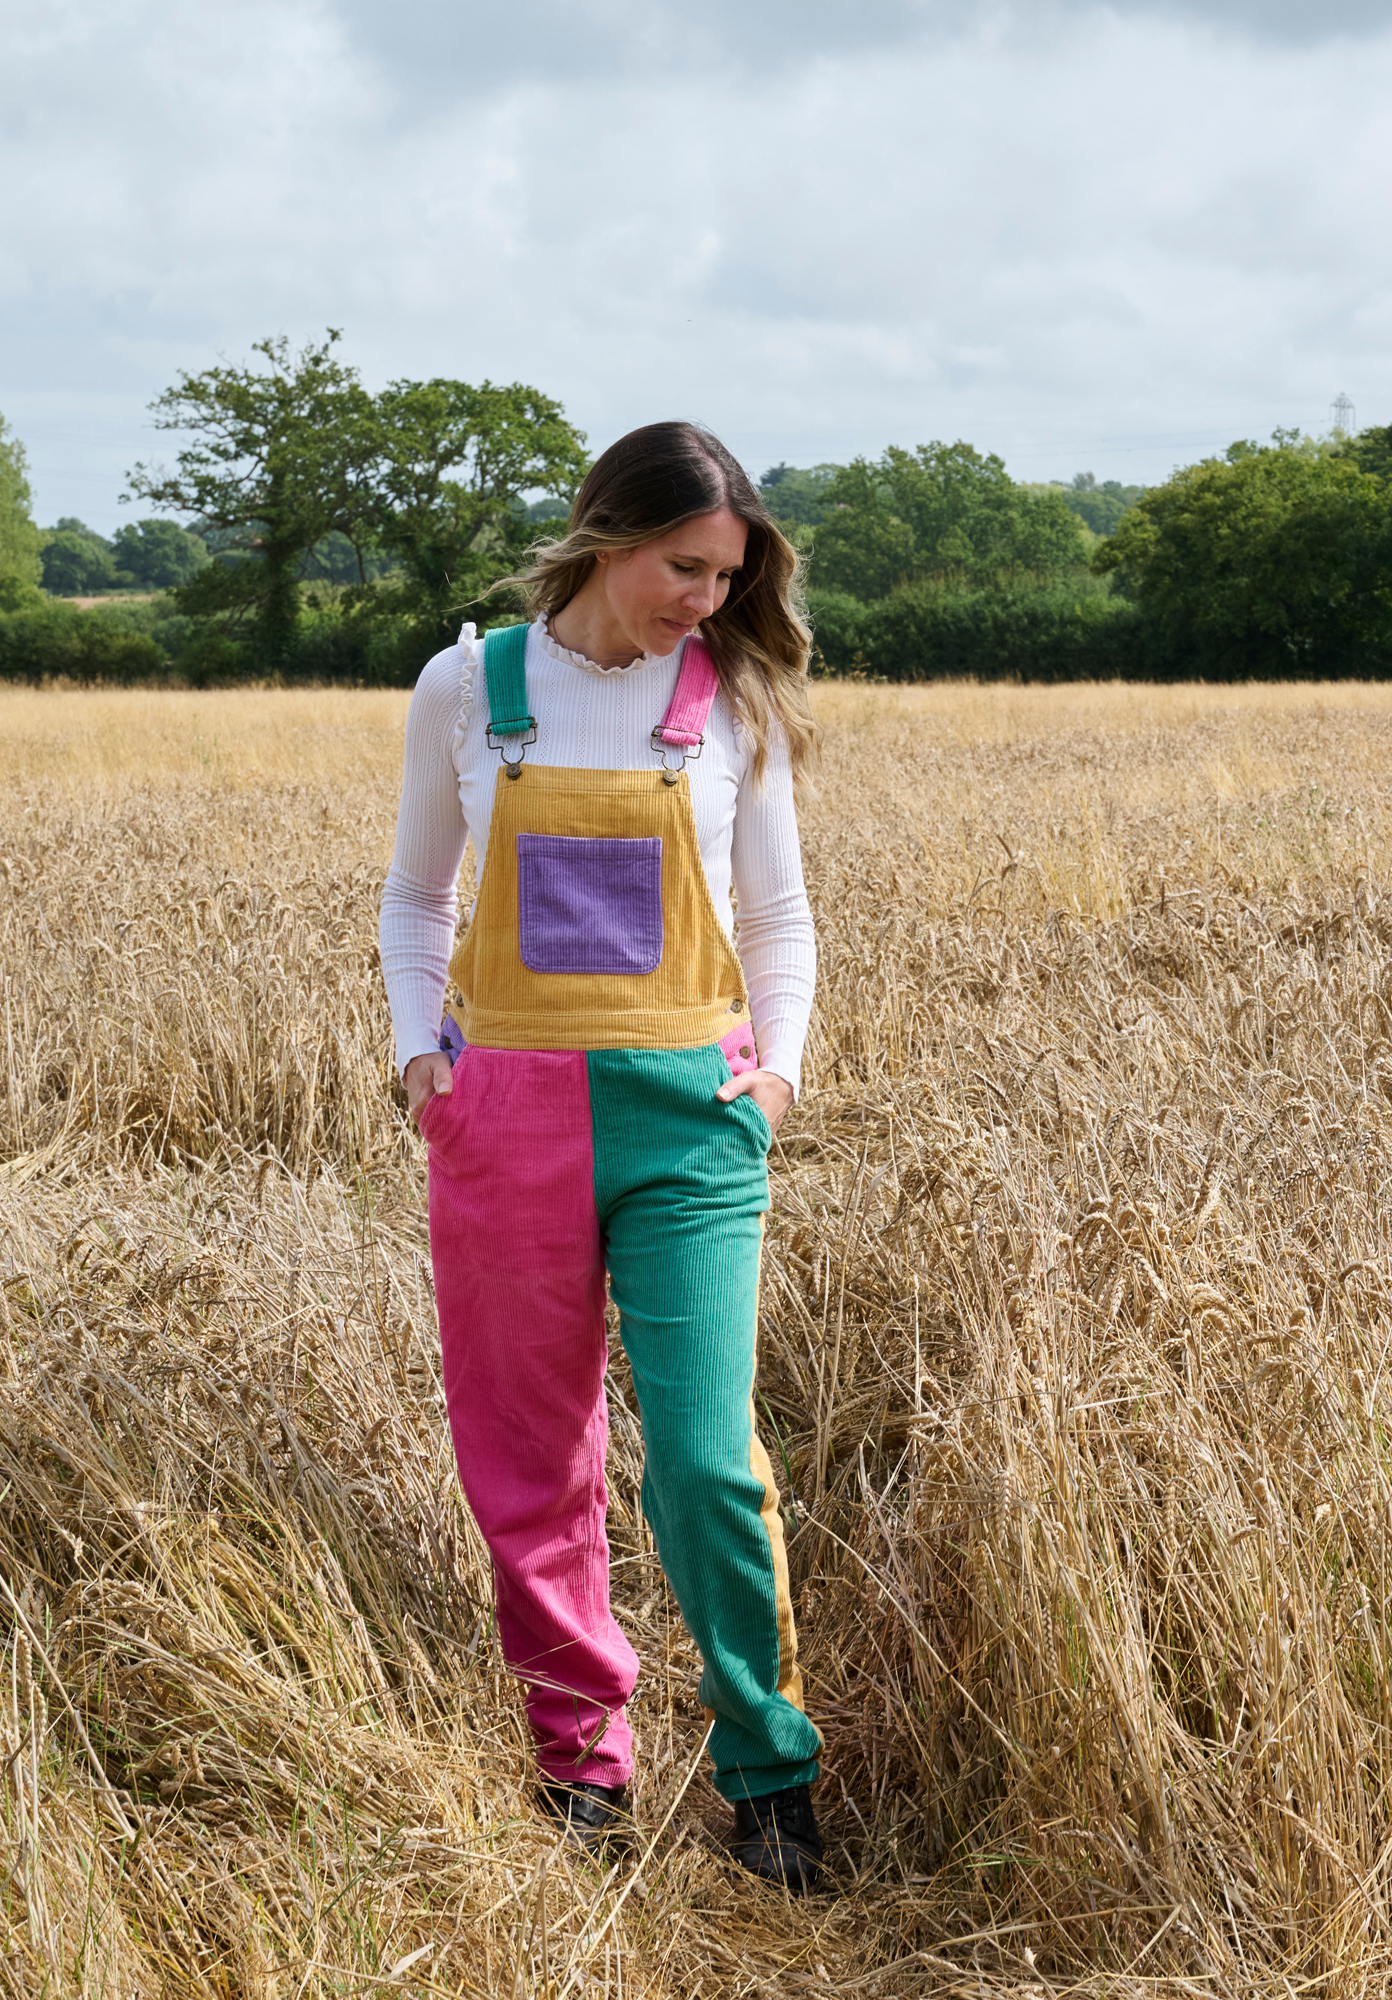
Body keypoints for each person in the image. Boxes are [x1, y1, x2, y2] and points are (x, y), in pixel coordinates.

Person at [378, 422, 825, 1891]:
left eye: (725, 575)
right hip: (500, 1112)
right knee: (527, 1466)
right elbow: (415, 897)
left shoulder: (730, 701)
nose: (703, 599)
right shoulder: (469, 685)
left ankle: (768, 1771)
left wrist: (775, 1078)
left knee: (707, 1467)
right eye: (680, 567)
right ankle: (582, 1764)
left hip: (691, 1117)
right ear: (605, 535)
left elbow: (778, 919)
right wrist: (420, 1062)